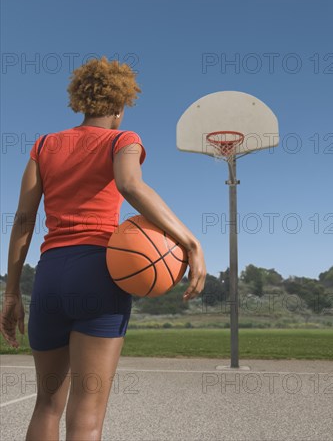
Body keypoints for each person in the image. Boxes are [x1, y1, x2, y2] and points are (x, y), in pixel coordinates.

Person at [0, 56, 206, 441]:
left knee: (46, 405)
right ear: (119, 106)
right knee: (87, 418)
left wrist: (12, 292)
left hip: (49, 276)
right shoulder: (123, 140)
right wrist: (190, 241)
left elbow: (23, 221)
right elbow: (130, 185)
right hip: (98, 273)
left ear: (82, 100)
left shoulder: (44, 145)